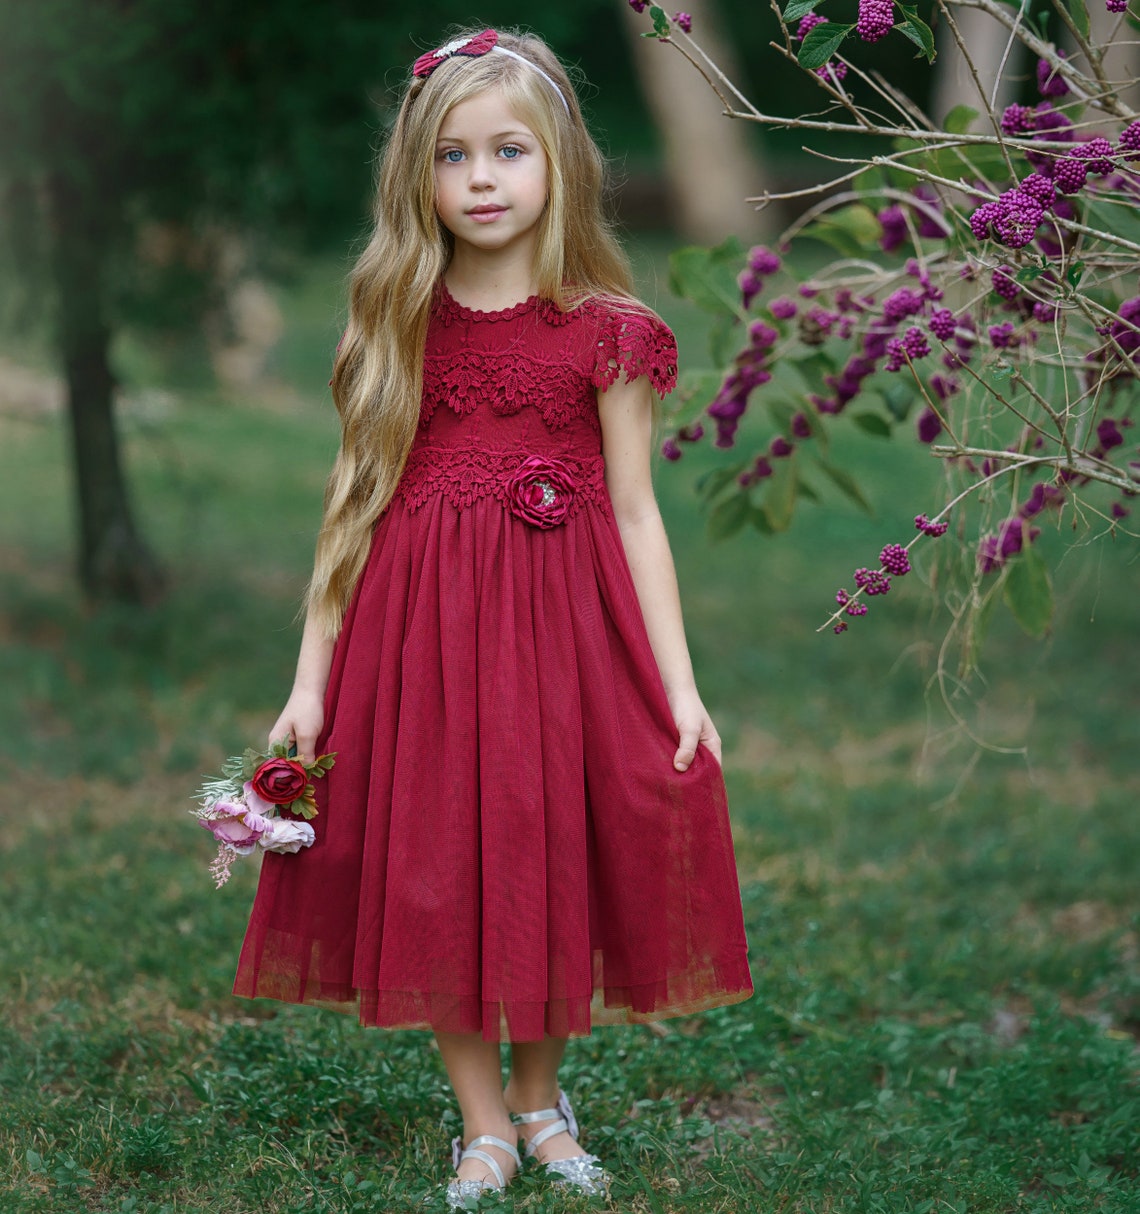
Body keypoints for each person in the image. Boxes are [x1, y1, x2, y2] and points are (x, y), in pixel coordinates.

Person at [233, 26, 753, 1208]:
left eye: (508, 150)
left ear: (560, 158)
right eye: (453, 155)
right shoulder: (395, 316)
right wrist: (311, 679)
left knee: (549, 847)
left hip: (563, 635)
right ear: (417, 173)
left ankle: (540, 1097)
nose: (481, 178)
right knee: (437, 864)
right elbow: (349, 502)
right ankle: (482, 1123)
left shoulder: (609, 329)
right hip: (418, 641)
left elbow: (635, 512)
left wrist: (679, 682)